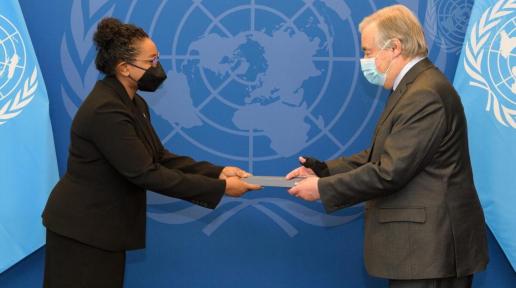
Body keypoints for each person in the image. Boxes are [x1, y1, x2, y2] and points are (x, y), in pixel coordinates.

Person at [42, 17, 260, 287]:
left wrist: (218, 172)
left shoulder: (134, 103)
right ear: (124, 68)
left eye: (157, 59)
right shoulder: (106, 110)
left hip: (104, 228)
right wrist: (221, 188)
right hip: (83, 230)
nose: (158, 68)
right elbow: (145, 173)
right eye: (151, 62)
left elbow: (159, 156)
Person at [286, 5, 488, 288]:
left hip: (431, 253)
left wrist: (322, 189)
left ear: (394, 47)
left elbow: (390, 172)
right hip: (421, 254)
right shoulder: (413, 87)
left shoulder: (425, 94)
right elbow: (379, 157)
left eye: (368, 52)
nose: (363, 60)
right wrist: (324, 171)